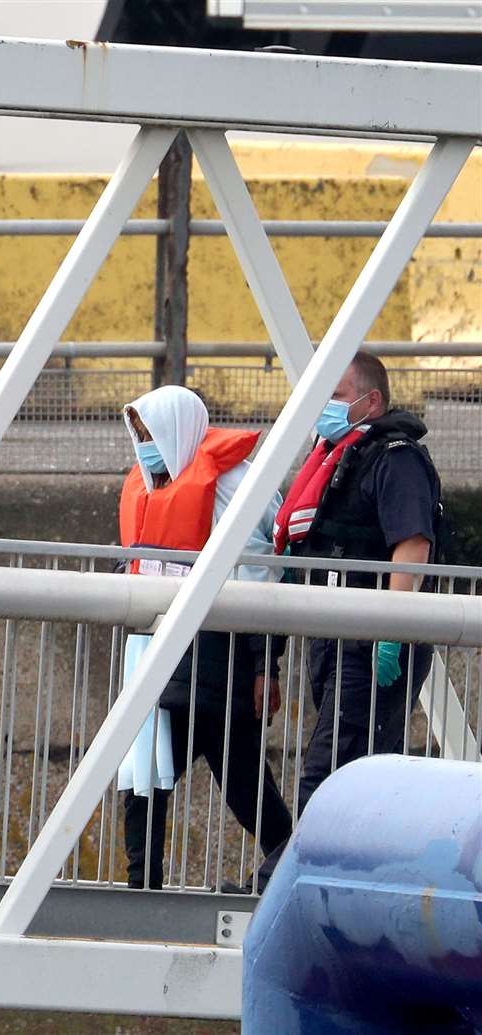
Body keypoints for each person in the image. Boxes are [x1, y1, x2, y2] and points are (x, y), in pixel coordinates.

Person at [257, 352, 446, 884]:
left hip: (372, 646)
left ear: (372, 402)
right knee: (356, 776)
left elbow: (412, 544)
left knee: (329, 774)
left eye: (337, 396)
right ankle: (354, 885)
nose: (327, 408)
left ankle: (282, 887)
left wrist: (392, 629)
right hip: (335, 644)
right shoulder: (338, 460)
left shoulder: (395, 459)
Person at [111, 385, 293, 891]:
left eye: (151, 434)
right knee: (149, 771)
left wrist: (265, 668)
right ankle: (141, 885)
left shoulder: (235, 484)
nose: (145, 445)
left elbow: (261, 579)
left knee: (241, 781)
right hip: (159, 658)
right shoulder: (149, 484)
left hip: (218, 658)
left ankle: (288, 865)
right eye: (139, 435)